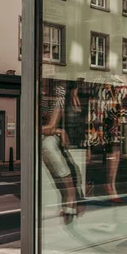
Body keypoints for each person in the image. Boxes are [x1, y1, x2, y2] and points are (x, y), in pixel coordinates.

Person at [41, 79, 83, 224]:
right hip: (41, 135)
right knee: (47, 144)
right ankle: (71, 195)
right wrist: (56, 130)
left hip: (48, 135)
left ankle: (71, 194)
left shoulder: (58, 91)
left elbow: (51, 125)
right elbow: (30, 126)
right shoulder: (33, 90)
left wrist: (54, 129)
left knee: (48, 145)